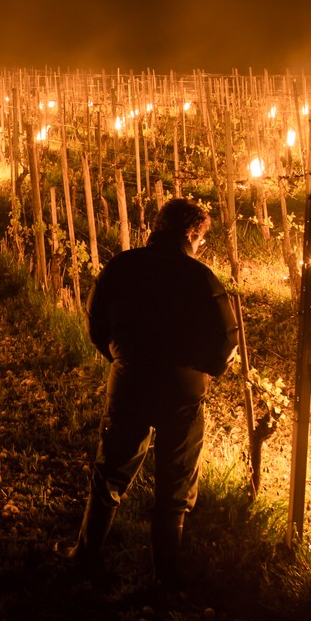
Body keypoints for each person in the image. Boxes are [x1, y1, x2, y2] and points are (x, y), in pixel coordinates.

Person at [68, 197, 239, 587]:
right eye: (202, 240)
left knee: (110, 472)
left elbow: (95, 319)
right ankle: (166, 577)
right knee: (174, 485)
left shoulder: (121, 266)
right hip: (181, 391)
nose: (201, 247)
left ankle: (85, 555)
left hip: (129, 381)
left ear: (158, 227)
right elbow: (227, 339)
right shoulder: (201, 278)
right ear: (192, 235)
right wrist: (207, 369)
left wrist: (119, 357)